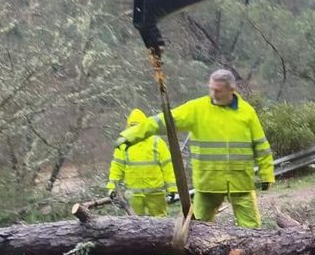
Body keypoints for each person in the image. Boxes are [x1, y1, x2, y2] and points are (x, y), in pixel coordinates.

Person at [118, 69, 275, 228]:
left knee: (252, 230)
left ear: (231, 90)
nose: (213, 94)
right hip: (208, 183)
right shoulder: (197, 109)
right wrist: (131, 135)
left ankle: (249, 252)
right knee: (197, 230)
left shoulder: (247, 112)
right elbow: (163, 121)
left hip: (241, 182)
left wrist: (267, 174)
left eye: (218, 90)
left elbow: (261, 145)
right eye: (211, 89)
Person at [106, 109, 179, 216]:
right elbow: (116, 168)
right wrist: (112, 187)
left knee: (159, 224)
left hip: (155, 194)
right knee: (135, 225)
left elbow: (168, 167)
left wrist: (172, 188)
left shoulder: (156, 142)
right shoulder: (124, 144)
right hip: (135, 195)